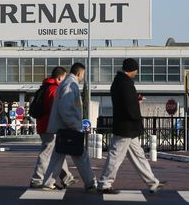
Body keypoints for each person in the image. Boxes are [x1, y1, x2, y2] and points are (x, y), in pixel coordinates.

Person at [97, 58, 165, 194]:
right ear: (132, 69)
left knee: (138, 155)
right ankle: (104, 183)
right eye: (136, 70)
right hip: (126, 126)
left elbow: (124, 102)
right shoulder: (126, 84)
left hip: (124, 125)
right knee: (116, 155)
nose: (136, 72)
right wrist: (137, 109)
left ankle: (152, 182)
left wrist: (135, 99)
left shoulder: (118, 82)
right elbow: (129, 106)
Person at [42, 63, 96, 192]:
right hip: (69, 128)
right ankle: (90, 183)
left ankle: (49, 182)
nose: (83, 77)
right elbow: (66, 108)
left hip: (64, 127)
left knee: (58, 155)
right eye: (83, 74)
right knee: (81, 155)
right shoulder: (71, 85)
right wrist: (73, 125)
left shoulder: (67, 83)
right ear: (79, 73)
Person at [30, 66, 78, 188]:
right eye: (64, 78)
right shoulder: (54, 89)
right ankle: (37, 179)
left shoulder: (45, 87)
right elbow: (57, 109)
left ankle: (67, 177)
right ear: (59, 77)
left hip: (44, 124)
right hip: (50, 126)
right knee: (47, 153)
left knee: (57, 152)